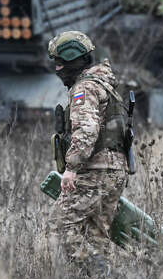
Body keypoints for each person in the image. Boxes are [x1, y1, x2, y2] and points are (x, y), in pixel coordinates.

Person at [47, 30, 128, 265]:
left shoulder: (85, 88)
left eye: (61, 63)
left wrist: (72, 167)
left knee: (59, 228)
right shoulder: (105, 84)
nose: (57, 69)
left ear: (73, 61)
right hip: (113, 171)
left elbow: (87, 129)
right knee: (96, 237)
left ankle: (102, 274)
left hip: (95, 170)